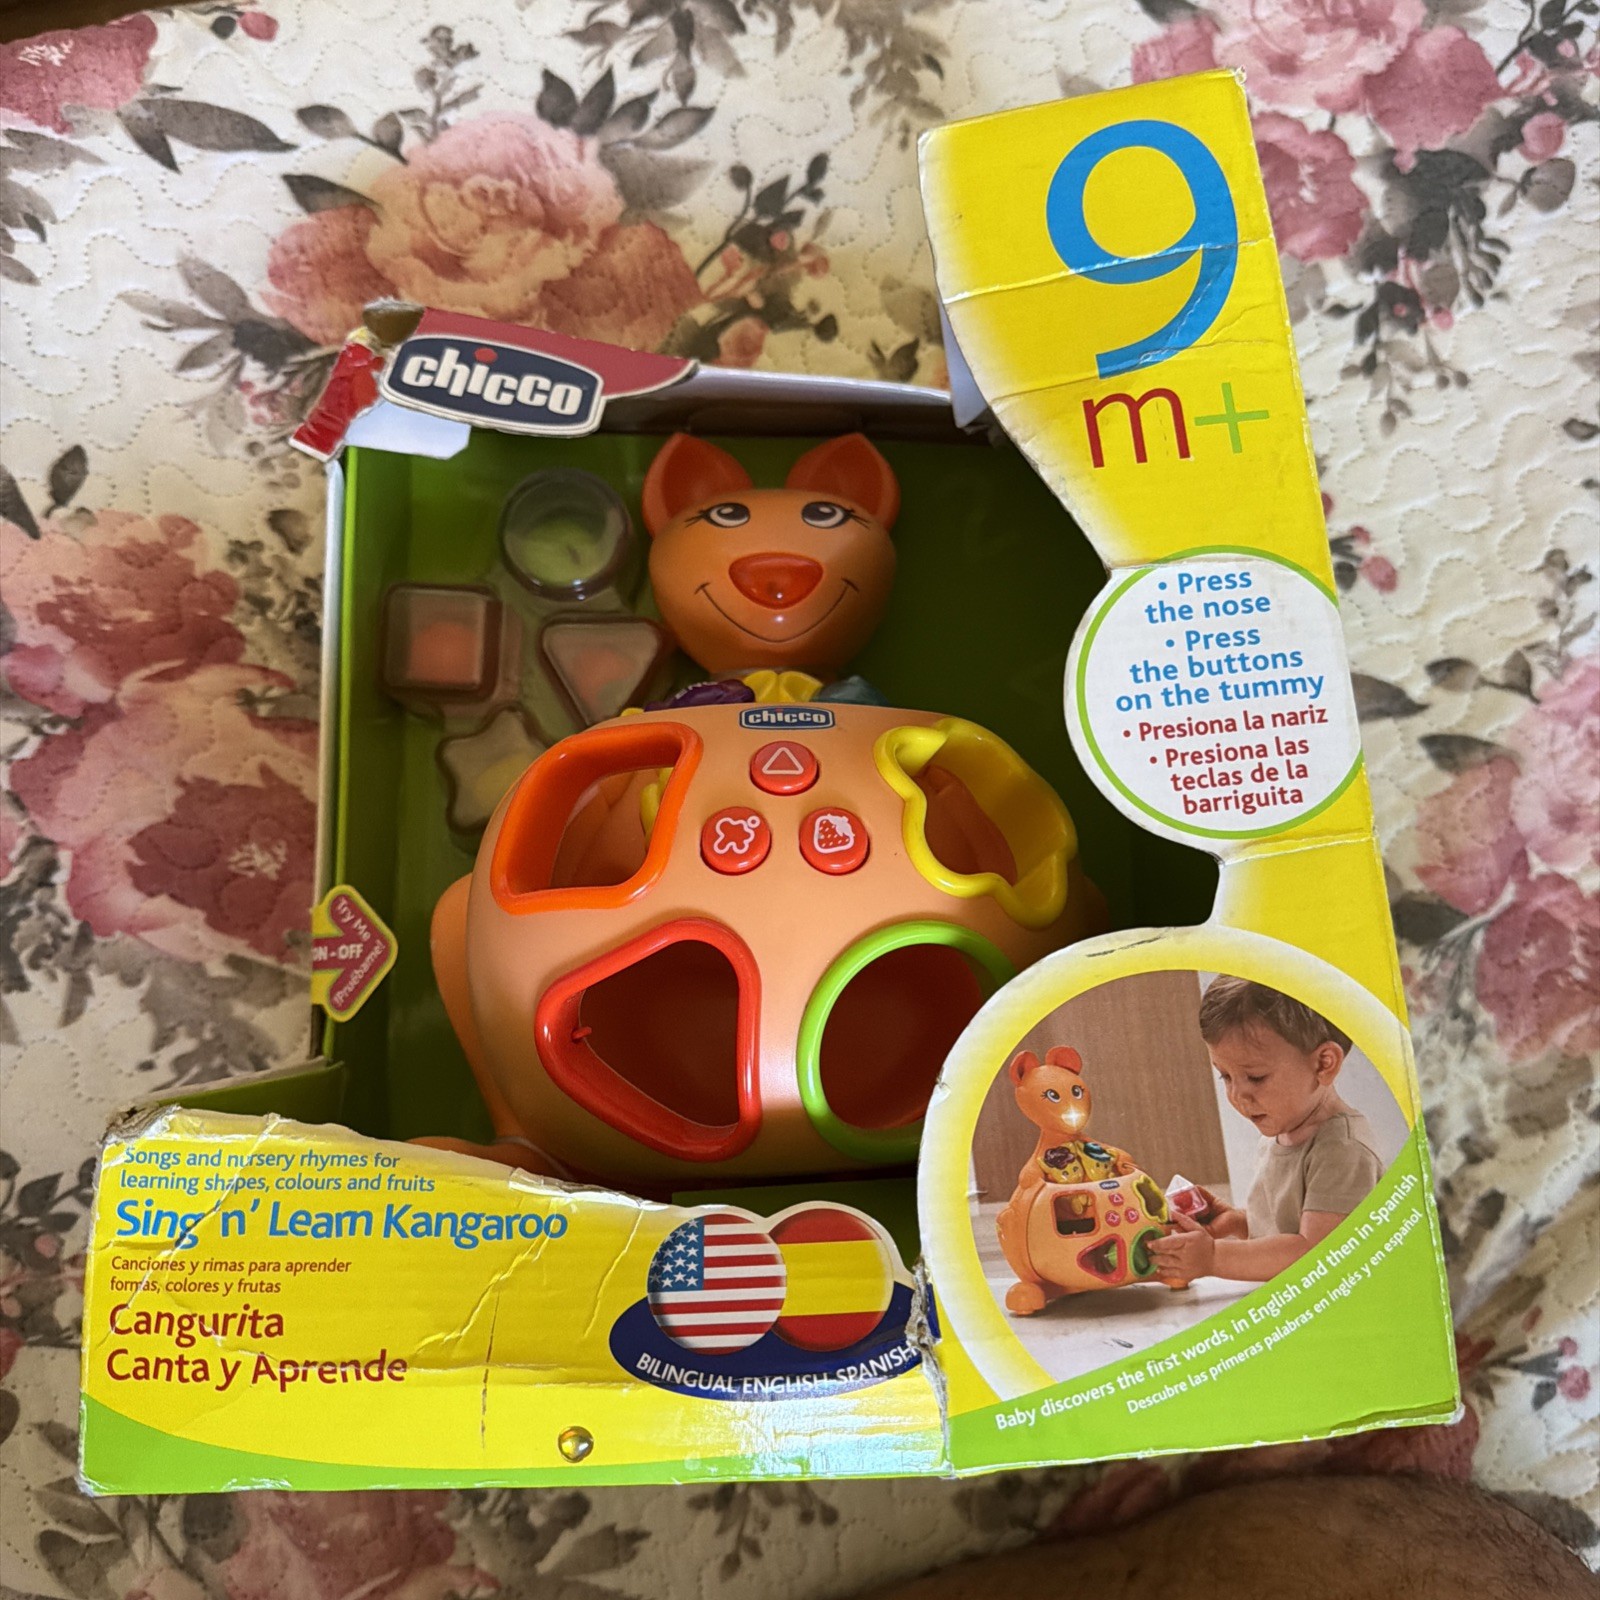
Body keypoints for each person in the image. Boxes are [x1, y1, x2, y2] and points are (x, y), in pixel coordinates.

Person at [1149, 976, 1384, 1284]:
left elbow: (1315, 1252)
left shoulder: (1343, 1150)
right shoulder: (1279, 1136)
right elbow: (1287, 1230)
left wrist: (1213, 1257)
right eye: (1226, 1077)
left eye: (1256, 1077)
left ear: (1323, 1064)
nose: (1237, 1095)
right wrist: (1238, 1221)